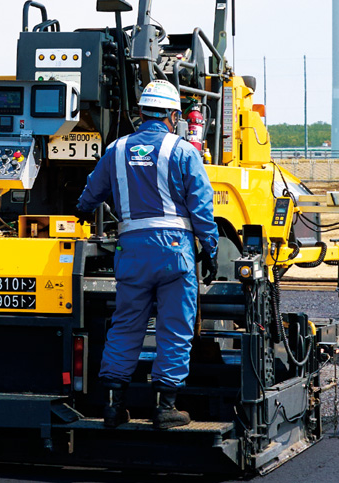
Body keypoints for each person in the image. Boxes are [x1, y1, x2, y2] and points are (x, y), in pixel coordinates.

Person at [74, 79, 219, 429]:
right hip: (173, 253)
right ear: (173, 115)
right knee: (174, 328)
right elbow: (201, 205)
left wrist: (81, 211)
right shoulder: (184, 151)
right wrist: (211, 249)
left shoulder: (117, 149)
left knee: (125, 326)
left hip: (132, 252)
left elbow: (89, 197)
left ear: (140, 113)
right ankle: (166, 407)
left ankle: (113, 406)